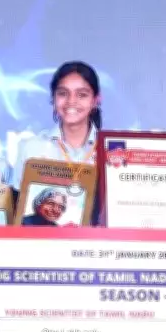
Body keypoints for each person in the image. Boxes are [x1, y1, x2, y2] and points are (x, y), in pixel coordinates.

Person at [9, 61, 103, 225]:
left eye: (82, 95)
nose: (71, 101)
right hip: (41, 239)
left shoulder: (110, 151)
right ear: (53, 98)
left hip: (95, 240)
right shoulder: (31, 148)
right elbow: (17, 211)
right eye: (63, 93)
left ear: (96, 100)